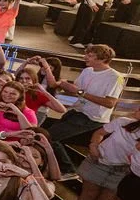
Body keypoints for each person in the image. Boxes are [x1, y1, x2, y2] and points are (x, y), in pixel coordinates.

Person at [45, 44, 123, 174]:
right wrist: (64, 85)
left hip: (91, 117)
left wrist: (81, 92)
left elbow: (110, 103)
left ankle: (68, 170)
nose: (85, 57)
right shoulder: (87, 71)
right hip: (77, 111)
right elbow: (77, 89)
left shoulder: (115, 77)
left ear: (102, 59)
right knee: (53, 136)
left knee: (49, 136)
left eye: (90, 56)